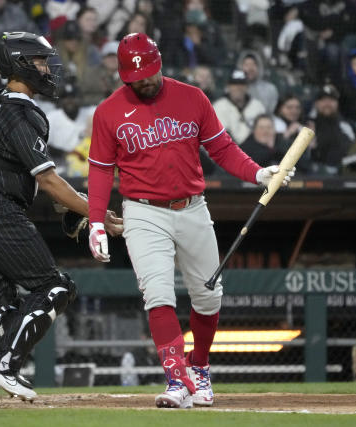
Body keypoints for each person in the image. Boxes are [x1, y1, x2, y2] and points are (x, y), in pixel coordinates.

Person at [86, 33, 293, 409]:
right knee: (158, 294)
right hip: (143, 211)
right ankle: (177, 379)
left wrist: (258, 174)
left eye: (148, 73)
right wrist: (96, 221)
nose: (144, 82)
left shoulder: (192, 97)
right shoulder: (108, 112)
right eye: (135, 78)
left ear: (160, 63)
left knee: (208, 295)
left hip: (192, 206)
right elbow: (100, 170)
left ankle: (199, 366)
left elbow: (222, 147)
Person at [0, 32, 123, 409]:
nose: (46, 68)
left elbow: (37, 183)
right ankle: (4, 363)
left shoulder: (0, 103)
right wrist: (94, 211)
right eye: (38, 61)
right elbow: (49, 180)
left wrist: (76, 206)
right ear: (20, 63)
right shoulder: (19, 110)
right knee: (56, 286)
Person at [212, 69, 266, 144]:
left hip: (255, 150)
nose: (238, 87)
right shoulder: (218, 106)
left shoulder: (257, 106)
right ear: (228, 87)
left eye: (242, 84)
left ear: (247, 87)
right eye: (234, 84)